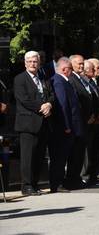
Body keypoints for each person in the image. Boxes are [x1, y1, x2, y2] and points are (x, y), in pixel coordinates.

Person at [14, 51, 53, 196]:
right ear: (25, 63)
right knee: (27, 157)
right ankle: (26, 185)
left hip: (43, 122)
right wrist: (42, 107)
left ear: (39, 63)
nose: (32, 64)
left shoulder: (43, 78)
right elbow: (24, 100)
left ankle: (35, 184)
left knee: (39, 155)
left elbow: (51, 94)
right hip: (28, 124)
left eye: (35, 61)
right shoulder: (20, 79)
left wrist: (49, 104)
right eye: (29, 61)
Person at [49, 57, 83, 192]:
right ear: (64, 69)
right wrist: (67, 126)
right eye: (70, 69)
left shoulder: (64, 81)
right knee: (59, 157)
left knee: (64, 156)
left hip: (70, 127)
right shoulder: (58, 81)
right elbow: (63, 105)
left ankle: (62, 182)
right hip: (63, 127)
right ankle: (56, 183)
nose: (71, 71)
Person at [65, 54, 91, 189]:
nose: (81, 66)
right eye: (78, 64)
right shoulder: (71, 79)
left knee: (80, 153)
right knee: (74, 154)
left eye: (82, 63)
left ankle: (76, 178)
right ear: (71, 64)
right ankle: (71, 179)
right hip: (77, 122)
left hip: (84, 121)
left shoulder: (81, 79)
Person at [83, 59, 99, 185]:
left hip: (98, 121)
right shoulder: (85, 83)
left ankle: (93, 174)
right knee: (88, 150)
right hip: (90, 121)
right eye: (96, 68)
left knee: (95, 149)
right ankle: (86, 175)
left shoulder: (93, 83)